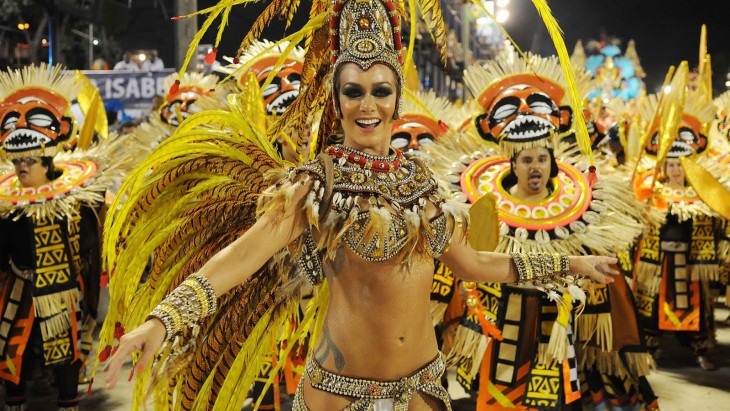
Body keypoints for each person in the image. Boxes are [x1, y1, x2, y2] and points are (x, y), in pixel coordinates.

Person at [99, 1, 618, 410]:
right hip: (340, 393)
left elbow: (475, 264)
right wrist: (162, 321)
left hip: (425, 391)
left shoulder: (419, 181)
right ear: (337, 100)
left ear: (396, 99)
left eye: (380, 90)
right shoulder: (315, 186)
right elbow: (242, 256)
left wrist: (572, 264)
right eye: (353, 91)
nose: (367, 104)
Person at [428, 48, 658, 411]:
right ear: (512, 166)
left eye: (542, 159)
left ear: (552, 165)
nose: (535, 166)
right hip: (501, 321)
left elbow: (607, 269)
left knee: (554, 400)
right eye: (527, 160)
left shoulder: (587, 208)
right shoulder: (476, 205)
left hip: (557, 327)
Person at [0, 64, 113, 411]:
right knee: (11, 354)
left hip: (60, 288)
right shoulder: (5, 205)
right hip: (18, 285)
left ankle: (68, 403)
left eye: (30, 160)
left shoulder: (77, 198)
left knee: (63, 356)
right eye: (18, 161)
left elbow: (93, 236)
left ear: (48, 161)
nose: (22, 167)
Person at [631, 61, 728, 372]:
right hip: (657, 261)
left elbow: (718, 218)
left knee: (698, 311)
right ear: (664, 166)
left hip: (691, 261)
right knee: (652, 309)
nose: (675, 168)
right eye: (671, 164)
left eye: (680, 164)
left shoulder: (704, 194)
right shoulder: (650, 192)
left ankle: (701, 351)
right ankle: (653, 350)